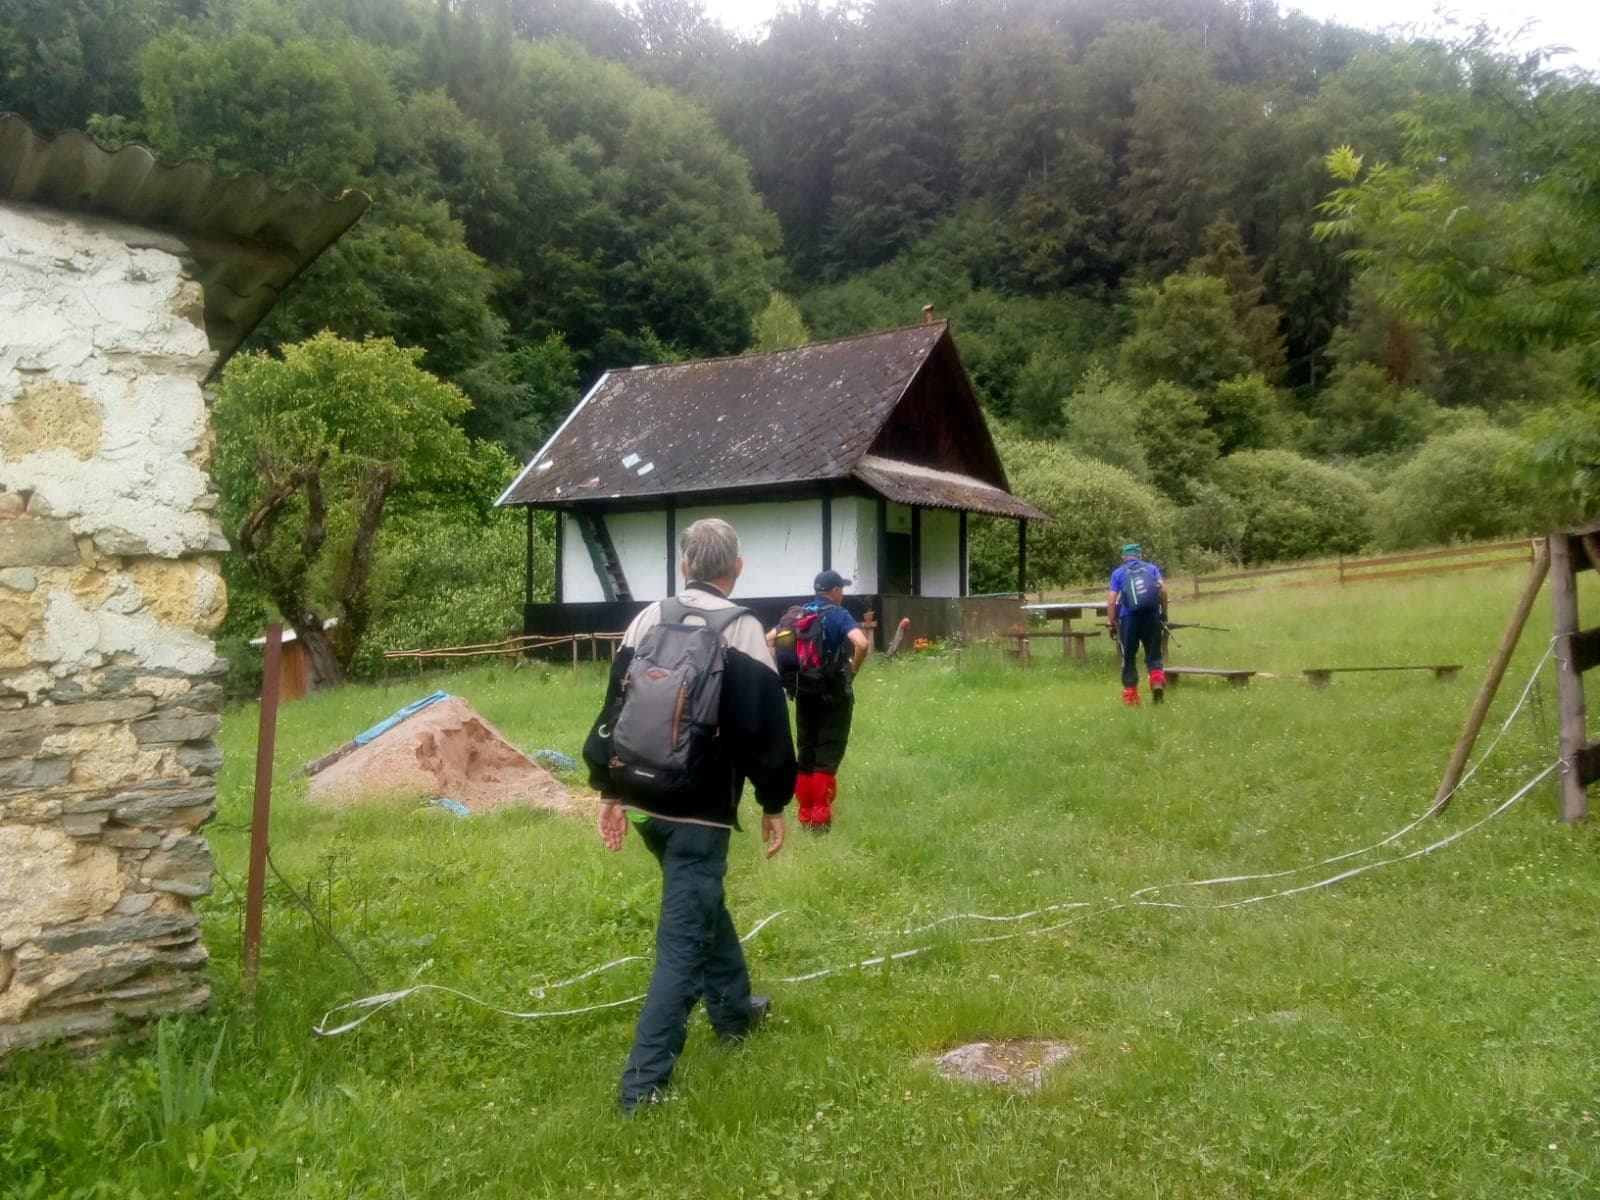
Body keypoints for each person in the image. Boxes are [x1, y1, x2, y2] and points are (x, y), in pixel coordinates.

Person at [583, 517, 796, 1114]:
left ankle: (735, 1013)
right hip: (699, 815)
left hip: (643, 803)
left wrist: (608, 791)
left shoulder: (647, 618)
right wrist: (774, 803)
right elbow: (766, 729)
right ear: (737, 568)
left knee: (702, 904)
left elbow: (614, 709)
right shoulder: (743, 629)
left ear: (684, 567)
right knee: (683, 945)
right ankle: (642, 1088)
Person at [770, 569, 870, 833]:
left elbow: (770, 639)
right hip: (833, 695)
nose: (843, 594)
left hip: (804, 692)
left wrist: (781, 672)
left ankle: (805, 816)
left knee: (806, 753)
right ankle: (820, 820)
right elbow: (862, 643)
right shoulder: (839, 614)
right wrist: (852, 671)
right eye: (842, 589)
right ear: (835, 591)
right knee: (827, 753)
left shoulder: (799, 614)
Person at [1108, 542, 1168, 706]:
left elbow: (1112, 600)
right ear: (1140, 555)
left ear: (1123, 557)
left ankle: (1131, 698)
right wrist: (1164, 613)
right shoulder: (1152, 569)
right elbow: (1163, 590)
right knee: (1154, 654)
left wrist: (1112, 623)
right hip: (1152, 617)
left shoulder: (1118, 573)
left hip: (1129, 619)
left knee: (1128, 657)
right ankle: (1156, 682)